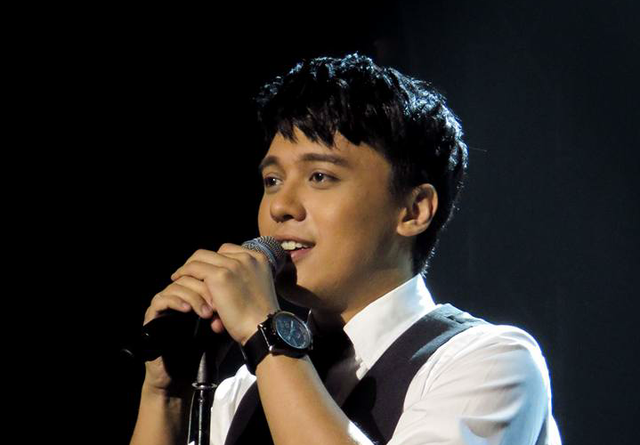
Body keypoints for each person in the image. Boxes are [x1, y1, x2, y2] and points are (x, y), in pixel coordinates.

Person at [129, 53, 562, 445]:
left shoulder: (488, 363)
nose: (280, 206)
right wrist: (166, 395)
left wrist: (268, 335)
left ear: (414, 210)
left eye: (320, 176)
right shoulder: (241, 394)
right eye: (272, 181)